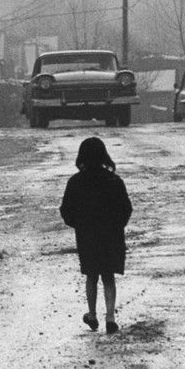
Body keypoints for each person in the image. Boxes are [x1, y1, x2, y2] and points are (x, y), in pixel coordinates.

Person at [59, 136, 133, 334]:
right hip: (110, 235)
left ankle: (92, 314)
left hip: (88, 235)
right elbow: (126, 208)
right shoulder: (114, 181)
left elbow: (66, 211)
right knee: (108, 276)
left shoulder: (75, 182)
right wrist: (117, 226)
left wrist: (80, 225)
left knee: (91, 275)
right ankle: (110, 317)